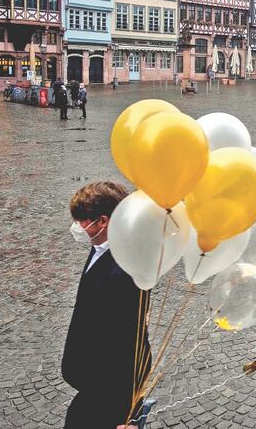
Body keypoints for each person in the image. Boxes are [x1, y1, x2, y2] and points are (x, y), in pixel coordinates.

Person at [62, 181, 151, 428]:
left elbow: (127, 339)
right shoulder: (102, 246)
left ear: (102, 221)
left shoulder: (126, 271)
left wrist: (125, 412)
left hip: (110, 387)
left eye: (82, 220)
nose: (77, 227)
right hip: (93, 378)